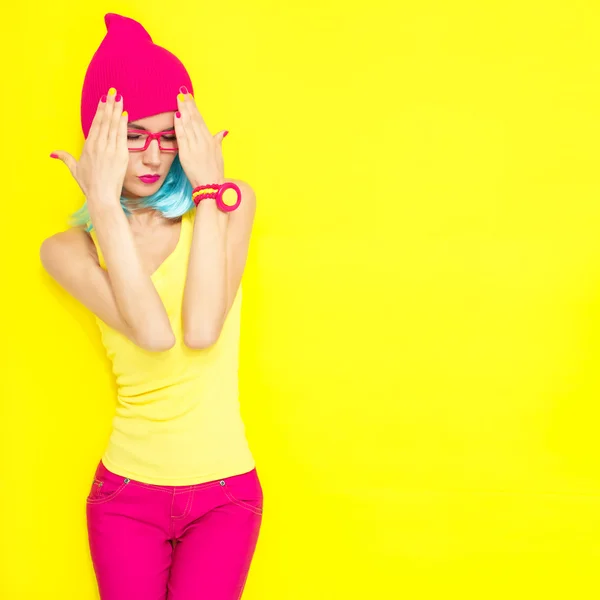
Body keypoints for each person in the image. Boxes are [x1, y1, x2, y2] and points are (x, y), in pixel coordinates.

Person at [40, 13, 262, 600]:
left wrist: (211, 194)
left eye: (169, 135)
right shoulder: (68, 249)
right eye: (133, 135)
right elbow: (155, 334)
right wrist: (105, 207)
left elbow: (200, 328)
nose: (153, 156)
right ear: (100, 138)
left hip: (226, 493)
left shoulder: (230, 207)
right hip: (126, 498)